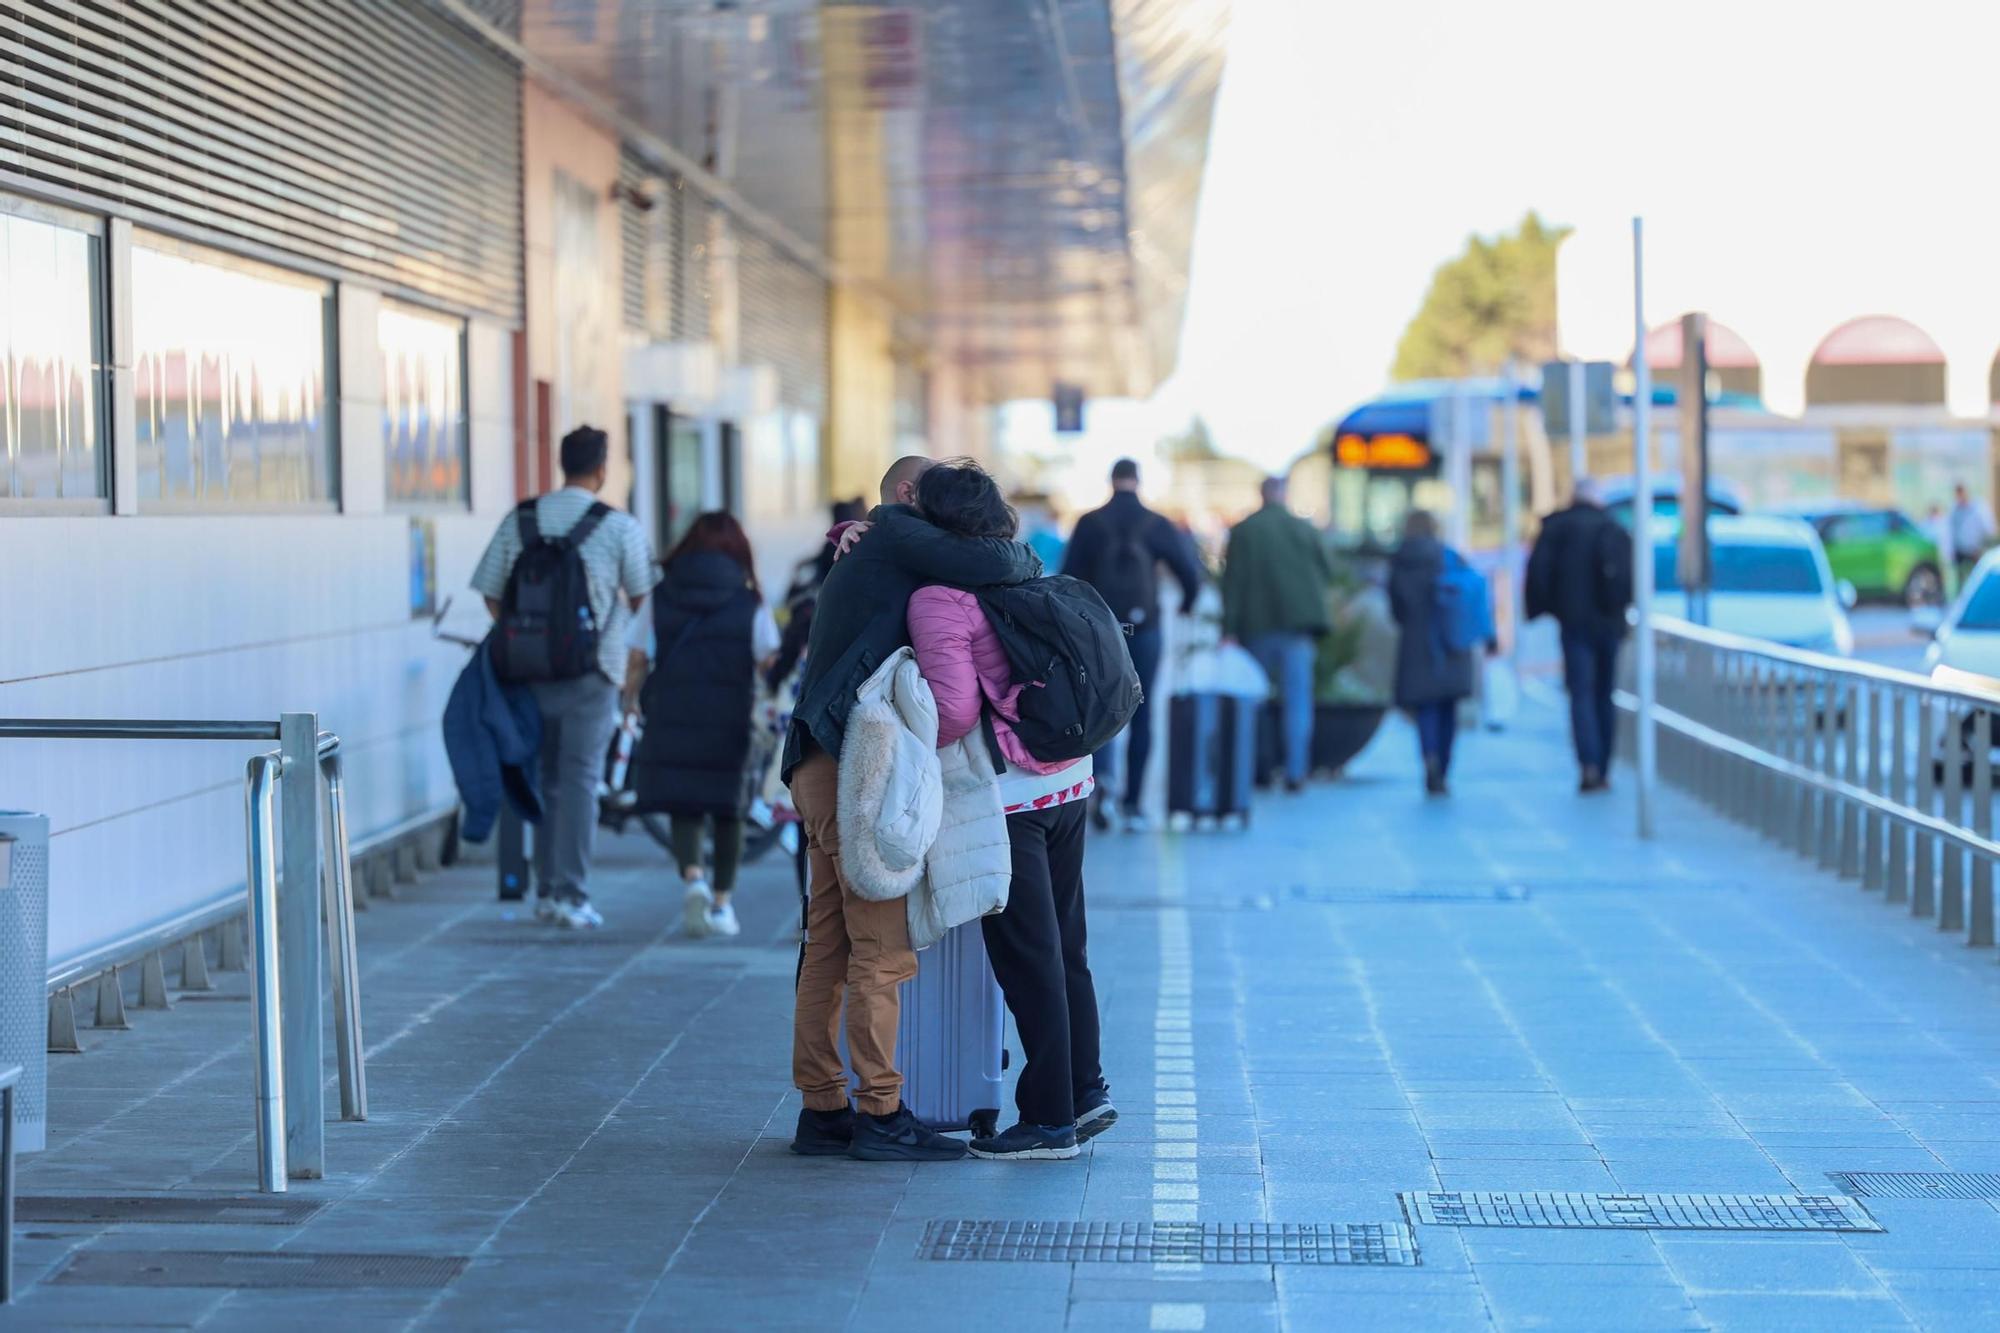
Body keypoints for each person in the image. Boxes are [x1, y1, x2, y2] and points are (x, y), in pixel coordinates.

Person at [786, 456, 1043, 1162]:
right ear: (907, 494)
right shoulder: (898, 532)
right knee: (880, 946)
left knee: (831, 940)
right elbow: (1004, 561)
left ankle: (823, 1107)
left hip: (817, 759)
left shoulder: (878, 543)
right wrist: (1024, 547)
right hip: (851, 767)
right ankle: (880, 1111)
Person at [905, 461, 1112, 1162]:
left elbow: (957, 707)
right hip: (1071, 781)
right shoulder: (1030, 568)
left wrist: (910, 739)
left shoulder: (941, 597)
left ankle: (1049, 1118)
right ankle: (1085, 1089)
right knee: (1067, 945)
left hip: (1011, 798)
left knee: (1028, 957)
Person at [471, 425, 655, 928]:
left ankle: (546, 891)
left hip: (526, 676)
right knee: (578, 780)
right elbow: (644, 600)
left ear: (561, 463)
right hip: (593, 673)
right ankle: (569, 894)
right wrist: (619, 647)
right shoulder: (618, 527)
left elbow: (490, 591)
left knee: (542, 777)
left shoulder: (522, 518)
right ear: (601, 469)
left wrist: (525, 638)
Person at [631, 512, 780, 940]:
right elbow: (768, 659)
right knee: (729, 807)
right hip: (729, 714)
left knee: (686, 802)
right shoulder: (748, 602)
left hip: (672, 710)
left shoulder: (660, 595)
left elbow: (638, 654)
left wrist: (628, 701)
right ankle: (721, 905)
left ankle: (693, 878)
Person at [1060, 458, 1204, 830]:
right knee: (1143, 711)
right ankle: (1135, 804)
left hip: (1101, 631)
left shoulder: (1090, 524)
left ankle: (1103, 784)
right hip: (1147, 628)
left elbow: (1067, 579)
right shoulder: (1156, 524)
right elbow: (1190, 573)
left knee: (1102, 708)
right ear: (1137, 481)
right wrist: (1186, 605)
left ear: (1111, 481)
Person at [1220, 477, 1334, 792]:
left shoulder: (1243, 531)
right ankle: (1296, 772)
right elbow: (1328, 569)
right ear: (1284, 495)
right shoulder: (1304, 528)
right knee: (1298, 701)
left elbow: (1232, 583)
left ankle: (1259, 770)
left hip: (1255, 628)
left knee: (1254, 699)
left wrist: (1228, 629)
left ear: (1261, 495)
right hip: (1297, 628)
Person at [1525, 479, 1633, 792]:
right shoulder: (1613, 529)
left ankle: (1587, 764)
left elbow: (1539, 575)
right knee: (1604, 694)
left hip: (1573, 624)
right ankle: (1603, 766)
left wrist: (1544, 608)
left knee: (1581, 694)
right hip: (1609, 624)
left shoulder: (1557, 529)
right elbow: (1630, 581)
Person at [1388, 510, 1477, 796]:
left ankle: (1429, 759)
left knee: (1425, 707)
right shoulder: (1449, 556)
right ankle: (1445, 766)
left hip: (1416, 643)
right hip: (1452, 642)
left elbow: (1396, 608)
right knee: (1448, 707)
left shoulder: (1400, 561)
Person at [1951, 483, 1994, 585]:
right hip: (1960, 549)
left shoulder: (1978, 507)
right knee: (1960, 578)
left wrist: (1984, 543)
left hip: (1975, 549)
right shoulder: (1955, 510)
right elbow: (1952, 530)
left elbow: (1987, 527)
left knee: (1977, 577)